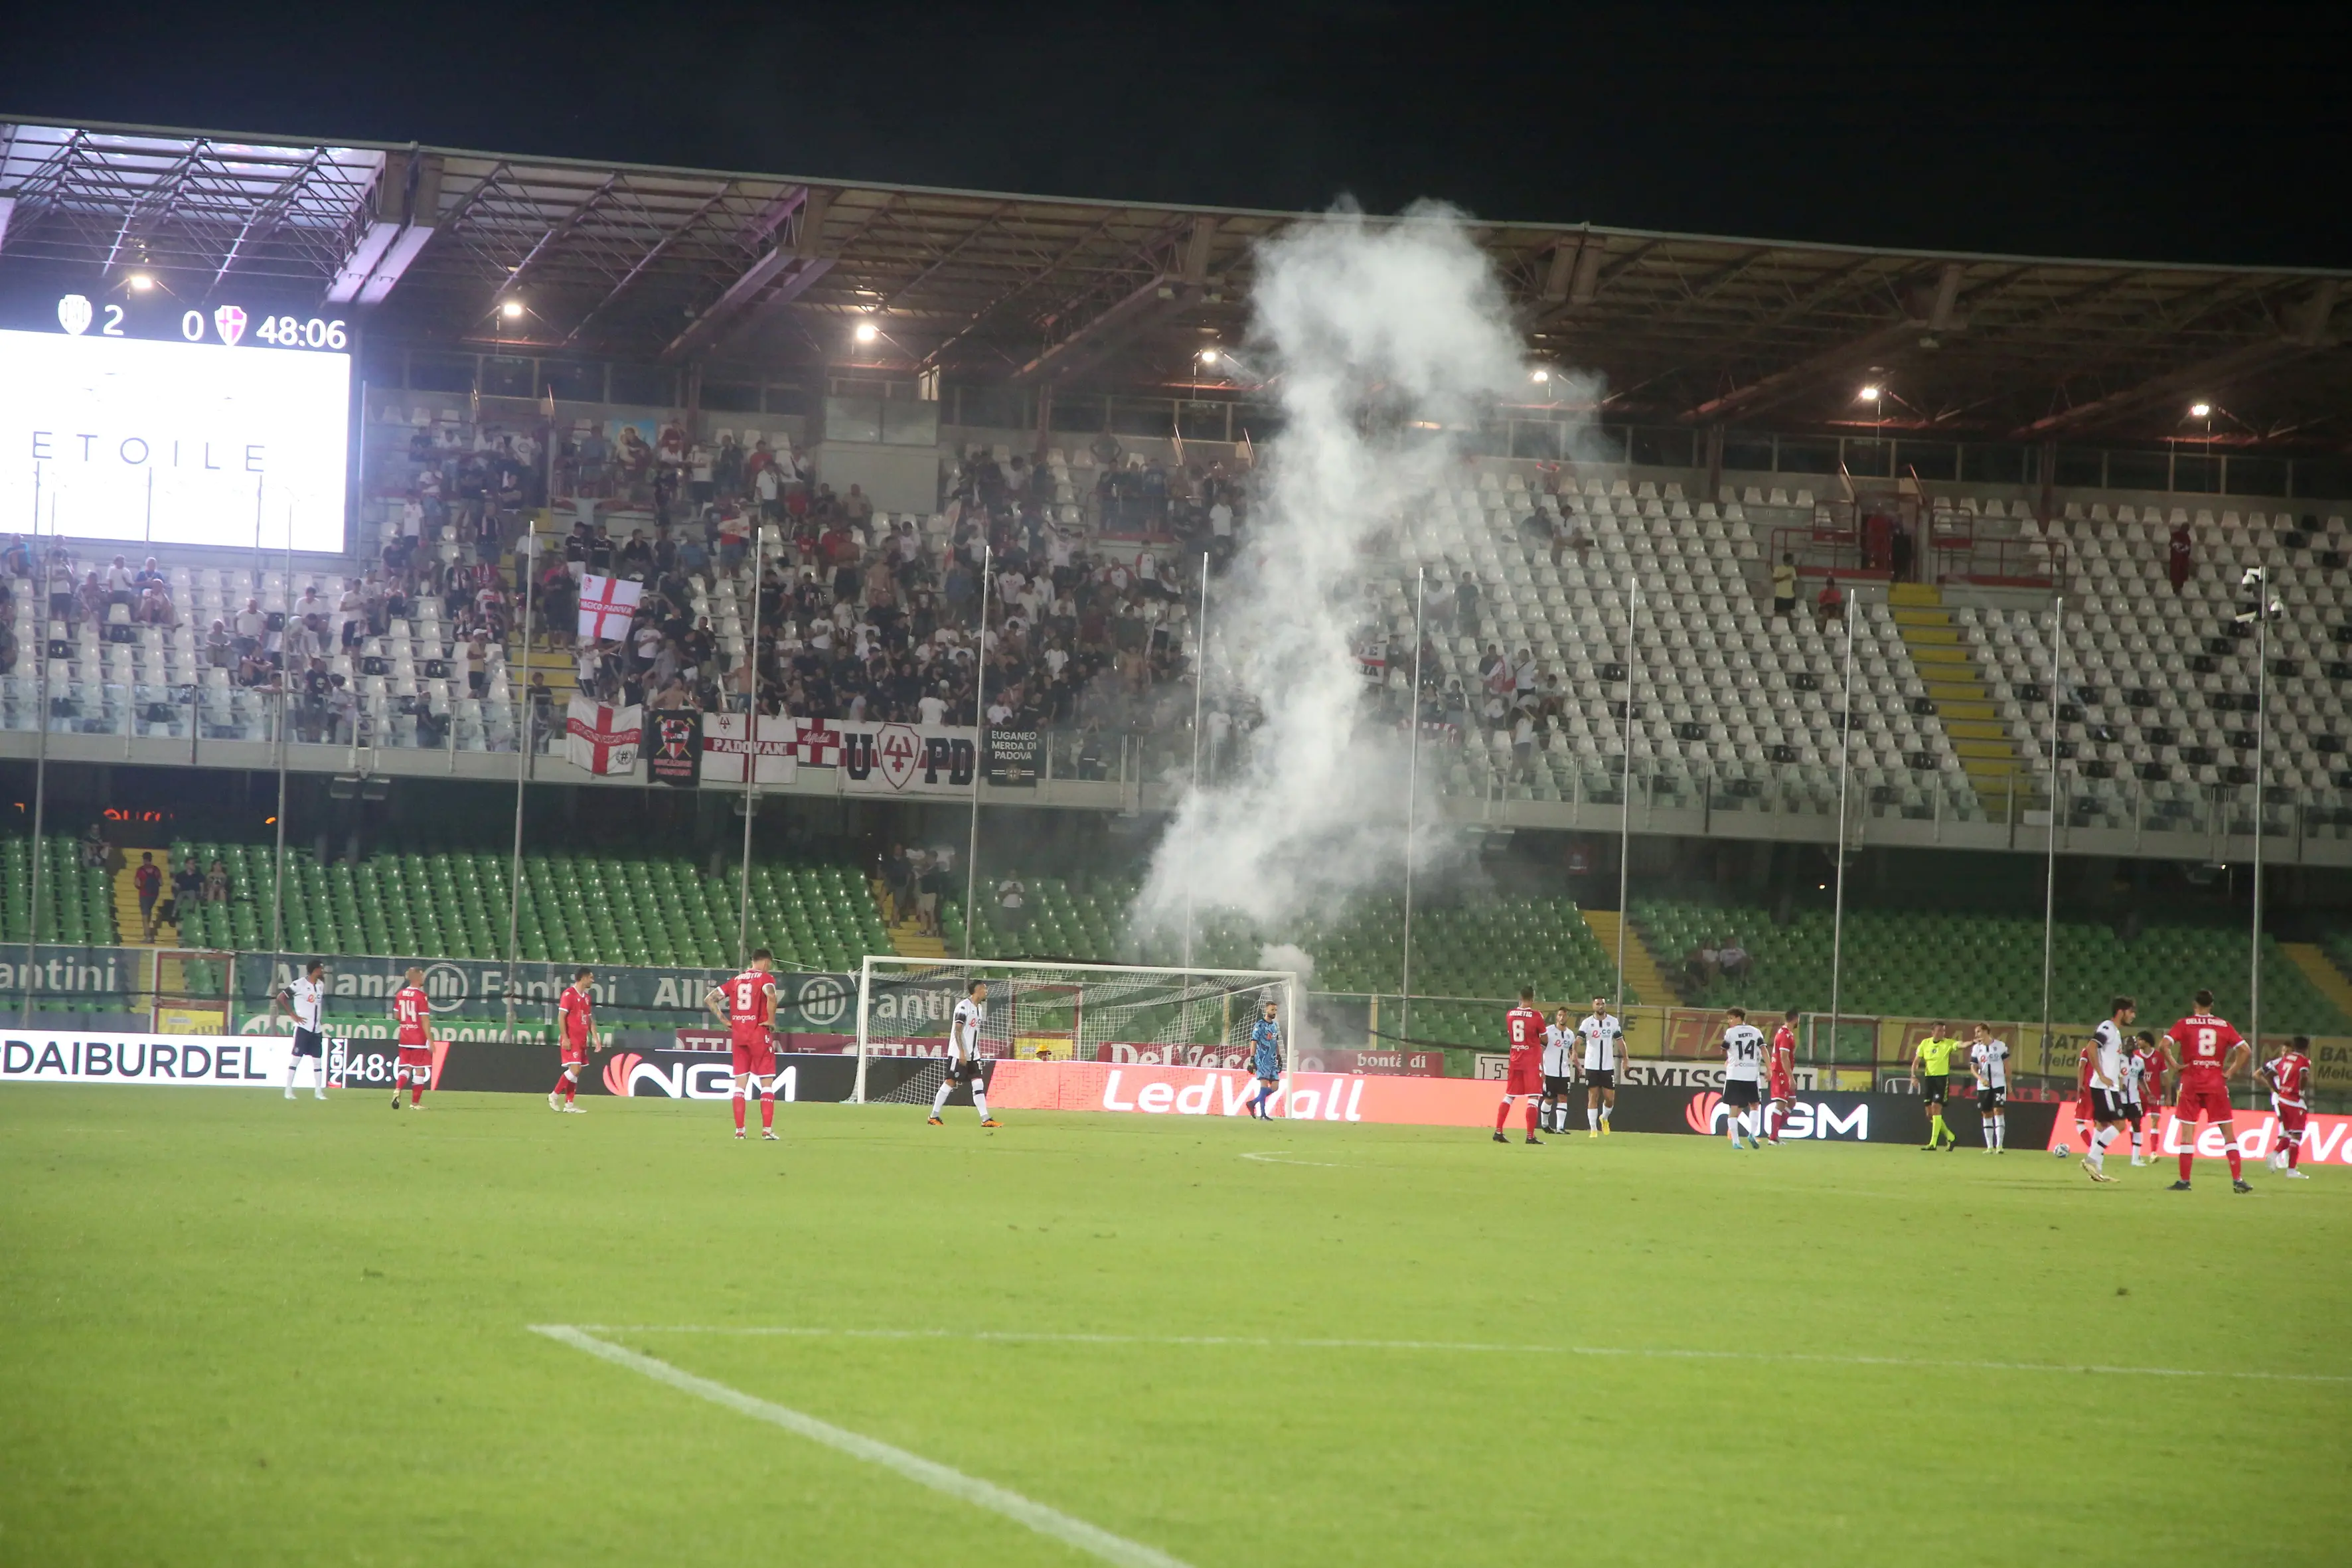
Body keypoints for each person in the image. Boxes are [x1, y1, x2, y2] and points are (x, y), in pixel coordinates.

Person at [2163, 989, 2252, 1193]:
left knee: (2187, 1132)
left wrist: (2175, 1065)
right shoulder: (2224, 1025)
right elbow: (2246, 1050)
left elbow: (2164, 1045)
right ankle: (2238, 1180)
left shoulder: (2184, 1024)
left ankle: (2185, 1181)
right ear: (2212, 1005)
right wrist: (2229, 1072)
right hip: (2216, 1083)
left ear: (2195, 1004)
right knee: (2228, 1132)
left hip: (2191, 1082)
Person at [704, 950, 781, 1141]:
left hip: (739, 1035)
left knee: (740, 1085)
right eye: (769, 964)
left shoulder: (736, 980)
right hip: (758, 1034)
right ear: (765, 962)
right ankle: (766, 1130)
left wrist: (724, 1020)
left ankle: (740, 1130)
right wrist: (771, 1020)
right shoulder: (765, 978)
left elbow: (710, 999)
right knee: (766, 1084)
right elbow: (771, 997)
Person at [928, 979, 1000, 1128]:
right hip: (958, 1053)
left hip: (974, 1055)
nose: (986, 992)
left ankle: (986, 1119)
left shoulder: (979, 1008)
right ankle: (933, 1116)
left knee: (978, 1083)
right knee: (950, 1082)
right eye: (984, 989)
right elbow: (957, 1030)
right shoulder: (963, 1007)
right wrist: (962, 1052)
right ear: (977, 990)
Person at [2080, 998, 2135, 1183]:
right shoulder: (2108, 1028)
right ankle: (2092, 1158)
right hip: (2105, 1087)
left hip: (2108, 1086)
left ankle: (2097, 1171)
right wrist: (2101, 1074)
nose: (2133, 1015)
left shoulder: (2115, 1032)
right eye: (2131, 1012)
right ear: (2121, 1012)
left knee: (2102, 1126)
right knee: (2120, 1125)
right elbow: (2091, 1046)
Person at [1493, 986, 1546, 1146]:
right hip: (1531, 1061)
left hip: (1515, 1059)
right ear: (1532, 998)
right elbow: (1545, 1039)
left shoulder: (1510, 1015)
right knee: (1534, 1097)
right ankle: (1530, 1136)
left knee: (1509, 1095)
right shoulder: (1536, 1016)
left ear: (1520, 997)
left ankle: (1498, 1131)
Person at [273, 959, 329, 1101]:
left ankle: (318, 1092)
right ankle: (288, 1090)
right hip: (303, 1028)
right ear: (315, 970)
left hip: (316, 1029)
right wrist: (293, 1015)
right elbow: (281, 998)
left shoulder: (321, 985)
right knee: (296, 1059)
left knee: (317, 1061)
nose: (322, 971)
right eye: (321, 969)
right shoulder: (299, 984)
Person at [2260, 1036, 2313, 1178]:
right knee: (2297, 1135)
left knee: (2289, 1133)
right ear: (2306, 1048)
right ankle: (2291, 1170)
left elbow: (2268, 1074)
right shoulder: (2304, 1061)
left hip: (2282, 1099)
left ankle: (2274, 1155)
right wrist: (2301, 1092)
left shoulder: (2285, 1059)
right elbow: (2304, 1076)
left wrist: (2276, 1090)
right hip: (2294, 1101)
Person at [1576, 994, 1623, 1138]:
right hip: (1592, 1065)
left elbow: (1620, 1041)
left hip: (1608, 1065)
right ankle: (1593, 1129)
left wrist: (1626, 1058)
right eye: (1598, 1004)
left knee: (1610, 1098)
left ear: (1605, 1005)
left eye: (1602, 1004)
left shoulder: (1613, 1022)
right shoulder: (1587, 1023)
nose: (1600, 1006)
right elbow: (1578, 1040)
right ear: (1593, 1006)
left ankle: (1604, 1117)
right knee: (1593, 1096)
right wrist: (1574, 1053)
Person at [550, 968, 597, 1113]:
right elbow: (561, 1017)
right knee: (575, 1070)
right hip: (572, 1038)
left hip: (582, 1039)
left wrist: (595, 1037)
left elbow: (589, 1019)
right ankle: (554, 1095)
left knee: (577, 1071)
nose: (592, 980)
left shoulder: (587, 998)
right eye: (591, 978)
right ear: (583, 978)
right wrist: (565, 1037)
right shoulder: (568, 995)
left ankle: (569, 1105)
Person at [1911, 1022, 1962, 1150]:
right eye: (1939, 1030)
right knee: (1929, 1114)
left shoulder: (1948, 1043)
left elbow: (1960, 1045)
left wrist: (1971, 1042)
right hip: (1929, 1079)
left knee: (1936, 1108)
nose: (1942, 1033)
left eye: (1944, 1031)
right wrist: (1913, 1075)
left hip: (1942, 1079)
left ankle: (1933, 1144)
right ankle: (1951, 1137)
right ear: (1932, 1032)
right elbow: (1917, 1060)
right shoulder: (1925, 1043)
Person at [388, 967, 435, 1110]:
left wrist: (407, 1022)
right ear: (416, 978)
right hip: (418, 1039)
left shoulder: (400, 994)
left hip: (404, 1037)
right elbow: (425, 1020)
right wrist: (431, 1041)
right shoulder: (421, 996)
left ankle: (397, 1090)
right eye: (421, 976)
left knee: (407, 1067)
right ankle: (415, 1103)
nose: (423, 979)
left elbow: (397, 1016)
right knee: (419, 1070)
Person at [1719, 1008, 1766, 1149]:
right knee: (1755, 1105)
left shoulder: (1731, 1032)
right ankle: (1752, 1133)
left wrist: (1729, 1058)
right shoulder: (1756, 1031)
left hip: (1734, 1074)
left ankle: (1736, 1142)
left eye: (1731, 1018)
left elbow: (1723, 1049)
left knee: (1733, 1107)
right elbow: (1764, 1050)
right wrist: (1769, 1068)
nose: (1730, 1021)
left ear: (1739, 1018)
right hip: (1751, 1075)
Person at [1968, 1022, 2009, 1152]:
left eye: (1979, 1031)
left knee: (1999, 1112)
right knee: (1986, 1114)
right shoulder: (1976, 1049)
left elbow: (2007, 1065)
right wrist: (1981, 1079)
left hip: (1999, 1084)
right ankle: (1990, 1146)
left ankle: (2000, 1145)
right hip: (1983, 1086)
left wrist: (2009, 1083)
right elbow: (1973, 1068)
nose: (1977, 1035)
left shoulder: (2000, 1046)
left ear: (1986, 1032)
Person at [1539, 1006, 1576, 1136]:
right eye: (1560, 1015)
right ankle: (1544, 1124)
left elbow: (1572, 1051)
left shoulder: (1570, 1034)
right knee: (1549, 1099)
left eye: (1564, 1015)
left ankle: (1560, 1128)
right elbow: (1541, 1050)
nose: (1562, 1018)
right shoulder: (1548, 1032)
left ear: (1567, 1017)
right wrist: (1541, 1069)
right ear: (1557, 1017)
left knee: (1563, 1097)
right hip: (1550, 1071)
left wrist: (1576, 1062)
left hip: (1564, 1072)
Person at [1765, 1006, 1800, 1144]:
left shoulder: (1786, 1033)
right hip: (1781, 1073)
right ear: (1796, 1019)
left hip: (1782, 1072)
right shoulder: (1785, 1035)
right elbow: (1784, 1057)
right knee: (1781, 1103)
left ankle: (1774, 1133)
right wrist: (1790, 1077)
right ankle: (1773, 1137)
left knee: (1792, 1102)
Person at [1245, 998, 1283, 1120]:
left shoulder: (1275, 1025)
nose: (1274, 1012)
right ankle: (1263, 1114)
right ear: (1266, 1010)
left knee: (1275, 1087)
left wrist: (1279, 1056)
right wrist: (1252, 1059)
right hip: (1262, 1059)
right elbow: (1254, 1042)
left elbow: (1275, 1041)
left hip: (1272, 1061)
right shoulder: (1260, 1025)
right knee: (1264, 1086)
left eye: (1275, 1010)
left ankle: (1253, 1103)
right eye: (1272, 1010)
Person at [133, 852, 163, 942]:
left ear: (144, 859)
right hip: (154, 895)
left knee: (145, 917)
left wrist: (141, 885)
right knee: (148, 912)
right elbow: (161, 883)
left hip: (145, 894)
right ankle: (149, 933)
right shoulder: (156, 869)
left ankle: (148, 937)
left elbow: (137, 883)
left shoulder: (141, 870)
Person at [1771, 553, 1798, 619]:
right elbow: (1774, 580)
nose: (1793, 561)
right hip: (1780, 595)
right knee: (1778, 613)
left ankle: (1790, 628)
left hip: (1790, 595)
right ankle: (1775, 627)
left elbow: (1794, 581)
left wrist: (1794, 592)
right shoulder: (1778, 568)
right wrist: (1784, 578)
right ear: (1788, 560)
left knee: (1788, 613)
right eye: (1792, 559)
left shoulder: (1792, 569)